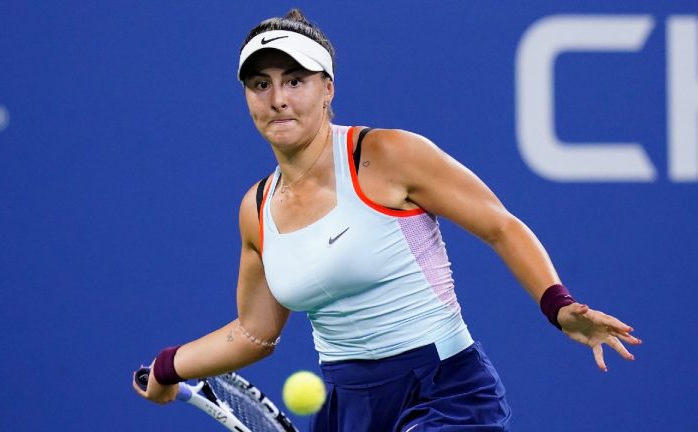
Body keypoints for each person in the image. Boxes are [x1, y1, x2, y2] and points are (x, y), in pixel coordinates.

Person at [133, 9, 641, 431]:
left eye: (295, 81)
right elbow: (254, 333)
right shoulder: (256, 208)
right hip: (347, 410)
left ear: (327, 88)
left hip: (443, 393)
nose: (278, 99)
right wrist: (168, 366)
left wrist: (560, 306)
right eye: (260, 84)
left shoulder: (388, 155)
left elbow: (499, 225)